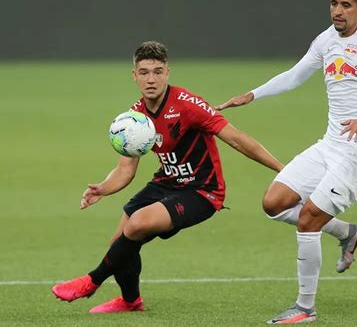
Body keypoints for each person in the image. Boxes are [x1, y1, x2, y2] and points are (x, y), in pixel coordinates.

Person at [216, 0, 357, 324]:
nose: (337, 11)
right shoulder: (326, 40)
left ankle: (305, 307)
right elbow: (295, 75)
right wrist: (252, 94)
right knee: (274, 203)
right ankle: (347, 232)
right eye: (334, 3)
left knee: (308, 218)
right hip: (330, 145)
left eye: (346, 5)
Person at [51, 41, 284, 314]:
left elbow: (238, 140)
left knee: (136, 225)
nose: (151, 79)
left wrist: (283, 169)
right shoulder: (135, 116)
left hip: (202, 190)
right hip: (166, 183)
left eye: (158, 72)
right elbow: (125, 170)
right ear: (134, 75)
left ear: (168, 73)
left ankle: (91, 281)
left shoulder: (188, 105)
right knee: (120, 244)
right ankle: (130, 302)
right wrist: (103, 188)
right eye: (145, 72)